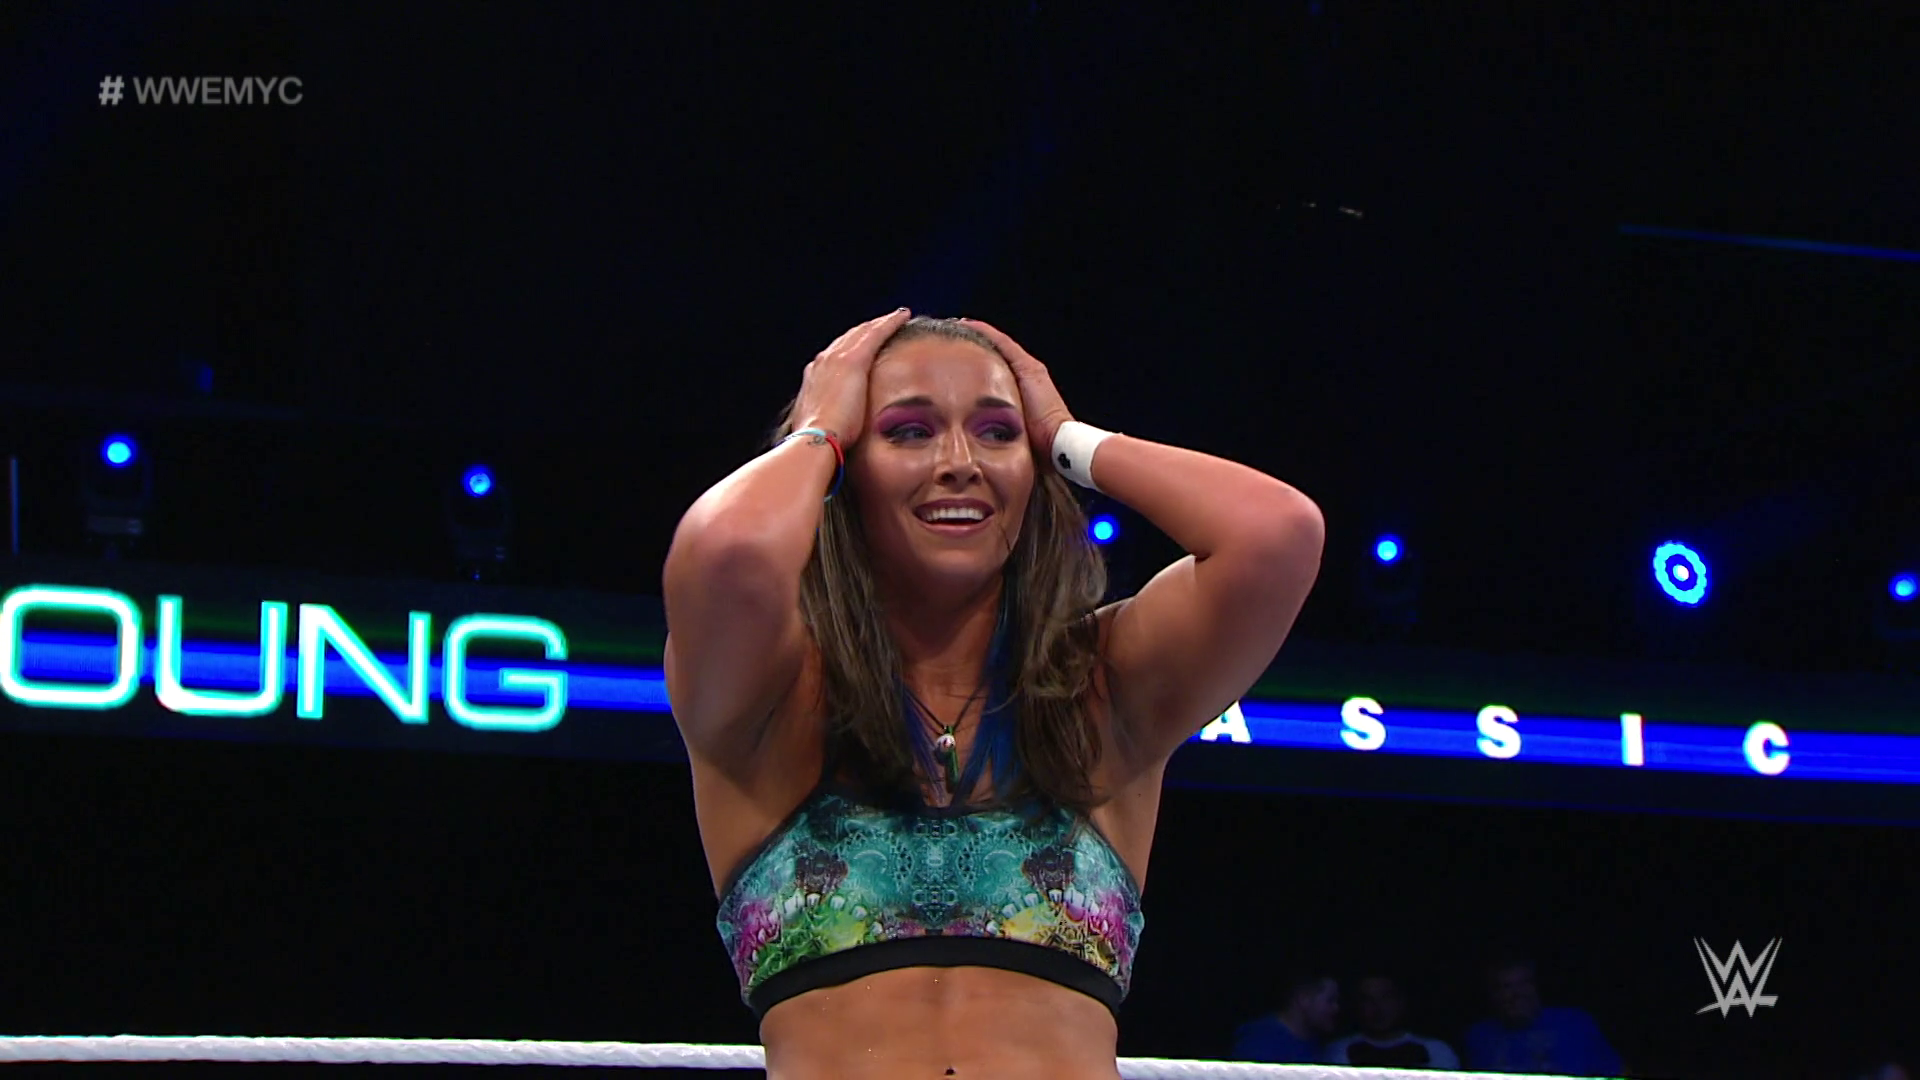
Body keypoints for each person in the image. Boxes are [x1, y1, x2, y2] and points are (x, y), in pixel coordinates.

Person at [663, 310, 1325, 1079]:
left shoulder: (1101, 689)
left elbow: (1277, 535)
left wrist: (1067, 438)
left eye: (998, 432)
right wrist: (818, 432)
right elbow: (730, 550)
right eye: (909, 431)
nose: (960, 462)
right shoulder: (774, 696)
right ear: (847, 469)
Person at [1463, 951, 1622, 1076]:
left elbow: (1617, 1072)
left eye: (1524, 983)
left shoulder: (1575, 1023)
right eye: (1505, 987)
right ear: (1493, 994)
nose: (1517, 994)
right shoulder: (1479, 1036)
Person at [1322, 973, 1460, 1069]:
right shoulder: (1338, 1051)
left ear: (1401, 1001)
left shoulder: (1436, 1051)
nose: (1377, 1007)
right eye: (1367, 999)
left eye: (1386, 997)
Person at [1231, 972, 1341, 1063]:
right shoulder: (1258, 1043)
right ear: (1304, 999)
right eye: (1330, 1001)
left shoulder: (1316, 1043)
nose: (1336, 1008)